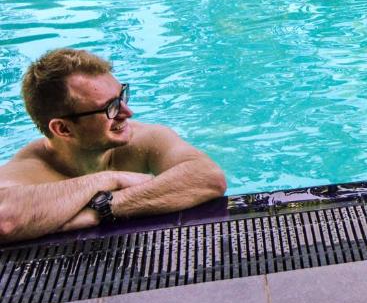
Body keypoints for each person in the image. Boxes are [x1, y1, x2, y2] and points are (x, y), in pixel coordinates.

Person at [0, 48, 226, 243]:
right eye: (110, 107)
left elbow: (209, 178)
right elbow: (4, 221)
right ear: (63, 129)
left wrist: (103, 208)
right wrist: (108, 180)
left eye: (122, 97)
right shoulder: (28, 171)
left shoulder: (143, 139)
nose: (127, 113)